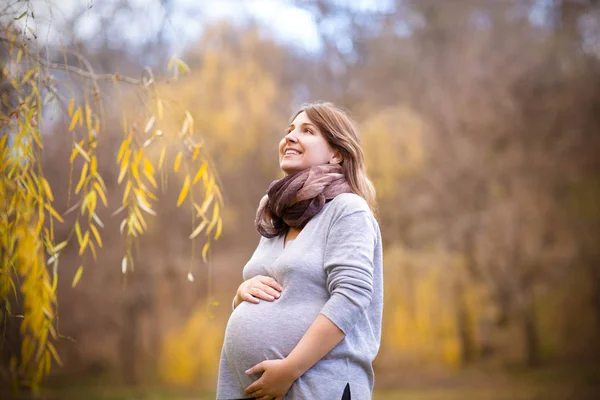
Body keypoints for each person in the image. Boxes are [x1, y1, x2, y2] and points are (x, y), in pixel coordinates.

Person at [216, 102, 383, 400]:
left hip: (318, 384)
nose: (290, 137)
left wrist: (289, 369)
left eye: (307, 131)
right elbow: (283, 289)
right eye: (289, 130)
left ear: (337, 153)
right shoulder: (278, 213)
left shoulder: (347, 210)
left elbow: (351, 296)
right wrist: (241, 294)